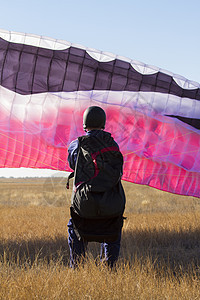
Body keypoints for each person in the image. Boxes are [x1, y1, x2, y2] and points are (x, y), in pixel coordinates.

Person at [67, 106, 126, 268]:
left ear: (85, 124)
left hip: (85, 203)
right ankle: (110, 267)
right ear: (103, 123)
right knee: (112, 230)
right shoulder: (113, 145)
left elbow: (73, 165)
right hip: (111, 202)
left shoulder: (76, 145)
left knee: (75, 228)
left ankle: (76, 267)